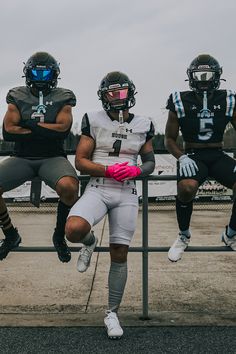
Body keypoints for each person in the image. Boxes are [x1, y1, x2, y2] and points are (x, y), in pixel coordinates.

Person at [65, 71, 155, 339]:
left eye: (122, 93)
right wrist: (107, 169)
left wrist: (138, 172)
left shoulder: (143, 123)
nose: (117, 98)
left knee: (119, 251)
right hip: (100, 186)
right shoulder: (93, 119)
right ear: (103, 96)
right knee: (73, 229)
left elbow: (149, 161)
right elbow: (80, 160)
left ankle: (112, 313)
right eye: (111, 93)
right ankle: (89, 241)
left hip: (127, 191)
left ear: (131, 94)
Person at [1, 51, 79, 263]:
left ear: (54, 75)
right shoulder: (17, 94)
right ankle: (10, 234)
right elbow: (7, 130)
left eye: (45, 74)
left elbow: (63, 129)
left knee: (70, 188)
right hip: (21, 158)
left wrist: (28, 124)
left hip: (52, 157)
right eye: (36, 73)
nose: (40, 78)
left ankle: (59, 235)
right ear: (28, 73)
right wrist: (46, 129)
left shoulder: (64, 96)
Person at [165, 53, 236, 262]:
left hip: (217, 154)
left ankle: (231, 234)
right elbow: (169, 139)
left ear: (217, 76)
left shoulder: (229, 98)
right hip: (193, 155)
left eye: (208, 75)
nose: (203, 80)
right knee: (186, 188)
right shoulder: (179, 99)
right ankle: (183, 235)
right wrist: (181, 157)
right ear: (191, 76)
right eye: (199, 75)